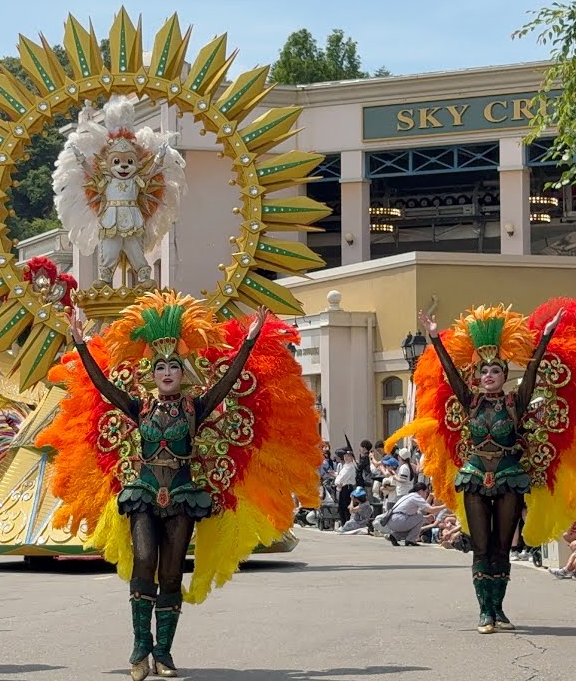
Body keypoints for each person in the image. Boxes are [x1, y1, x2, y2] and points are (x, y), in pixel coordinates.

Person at [47, 291, 320, 681]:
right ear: (152, 375)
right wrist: (78, 342)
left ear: (183, 372)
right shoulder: (137, 407)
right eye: (160, 367)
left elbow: (227, 381)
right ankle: (140, 648)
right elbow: (102, 385)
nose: (167, 372)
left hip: (181, 497)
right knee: (144, 561)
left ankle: (164, 653)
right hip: (142, 494)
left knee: (172, 574)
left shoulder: (196, 408)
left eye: (174, 365)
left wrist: (250, 340)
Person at [394, 300, 576, 635]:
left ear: (505, 377)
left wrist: (546, 337)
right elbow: (450, 373)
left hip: (510, 478)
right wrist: (434, 338)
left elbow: (535, 371)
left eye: (496, 371)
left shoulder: (515, 403)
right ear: (477, 377)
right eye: (484, 371)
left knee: (501, 545)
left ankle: (499, 608)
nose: (489, 375)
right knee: (481, 546)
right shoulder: (470, 401)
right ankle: (485, 612)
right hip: (476, 478)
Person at [334, 449, 358, 528]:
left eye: (348, 456)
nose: (346, 458)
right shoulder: (345, 466)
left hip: (347, 488)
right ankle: (344, 523)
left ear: (352, 458)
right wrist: (337, 482)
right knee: (341, 506)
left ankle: (346, 524)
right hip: (343, 487)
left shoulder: (350, 467)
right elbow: (339, 477)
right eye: (345, 456)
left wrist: (337, 482)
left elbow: (342, 478)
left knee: (345, 506)